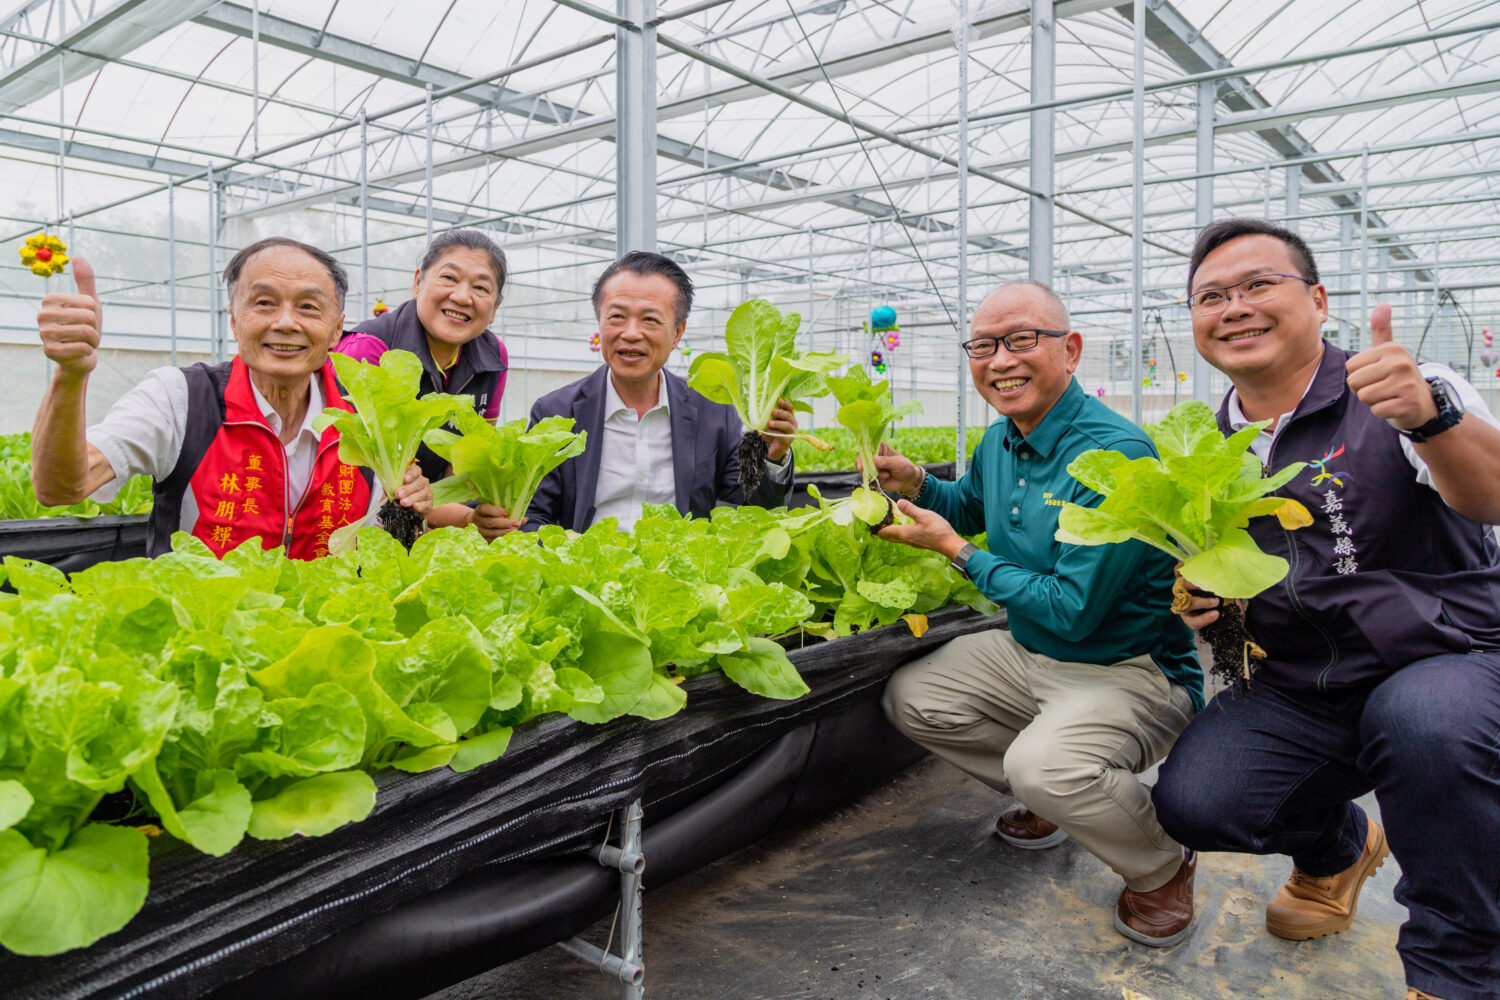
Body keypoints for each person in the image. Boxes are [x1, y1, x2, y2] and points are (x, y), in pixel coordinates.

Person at [1151, 219, 1500, 1000]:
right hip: (1304, 678)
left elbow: (1493, 498)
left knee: (1426, 727)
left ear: (1317, 299)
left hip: (1446, 657)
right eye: (1211, 296)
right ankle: (1340, 851)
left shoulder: (1402, 386)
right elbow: (1235, 568)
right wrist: (1210, 601)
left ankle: (1459, 974)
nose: (1234, 307)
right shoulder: (1210, 446)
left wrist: (1430, 418)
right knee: (1197, 801)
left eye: (1258, 285)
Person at [871, 280, 1204, 947]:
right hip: (1032, 651)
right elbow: (971, 505)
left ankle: (1161, 863)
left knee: (1042, 767)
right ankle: (1073, 806)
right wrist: (919, 484)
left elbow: (1072, 610)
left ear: (1070, 350)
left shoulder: (1114, 456)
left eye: (1021, 340)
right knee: (914, 697)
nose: (1000, 361)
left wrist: (957, 551)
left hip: (1129, 668)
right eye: (983, 346)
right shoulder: (1002, 438)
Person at [32, 237, 431, 559]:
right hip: (201, 630)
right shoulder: (181, 397)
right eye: (264, 303)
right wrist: (71, 374)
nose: (286, 322)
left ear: (336, 330)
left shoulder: (366, 419)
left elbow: (379, 547)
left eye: (309, 307)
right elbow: (61, 487)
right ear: (235, 321)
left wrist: (410, 506)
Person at [524, 250, 798, 533]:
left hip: (680, 561)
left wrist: (772, 457)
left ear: (677, 333)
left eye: (650, 320)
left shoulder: (713, 409)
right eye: (617, 316)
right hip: (584, 560)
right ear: (600, 324)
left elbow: (753, 505)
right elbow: (532, 515)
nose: (631, 333)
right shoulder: (555, 413)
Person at [334, 229, 511, 537]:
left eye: (481, 288)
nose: (462, 297)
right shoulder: (368, 349)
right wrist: (460, 518)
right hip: (357, 522)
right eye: (449, 278)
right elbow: (348, 476)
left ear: (495, 307)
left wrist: (471, 518)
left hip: (425, 524)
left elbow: (462, 468)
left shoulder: (493, 357)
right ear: (418, 282)